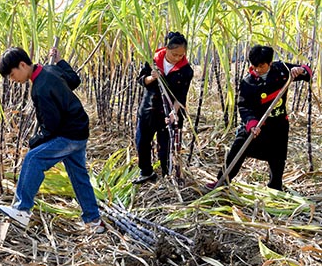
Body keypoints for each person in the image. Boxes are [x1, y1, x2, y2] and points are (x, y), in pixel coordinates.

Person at [0, 47, 104, 233]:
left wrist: (35, 141)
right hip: (79, 130)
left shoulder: (40, 88)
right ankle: (94, 221)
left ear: (22, 65)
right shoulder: (50, 70)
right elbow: (74, 80)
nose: (13, 80)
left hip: (69, 135)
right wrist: (60, 62)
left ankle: (22, 209)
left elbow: (51, 126)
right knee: (79, 176)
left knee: (33, 158)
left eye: (13, 75)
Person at [206, 45, 312, 191]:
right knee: (238, 148)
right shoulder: (248, 82)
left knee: (278, 157)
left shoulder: (281, 70)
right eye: (254, 66)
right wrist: (252, 123)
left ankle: (275, 186)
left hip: (278, 124)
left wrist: (301, 70)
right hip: (256, 125)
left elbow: (308, 74)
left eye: (261, 66)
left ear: (269, 63)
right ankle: (222, 181)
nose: (257, 69)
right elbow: (243, 106)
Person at [133, 32, 194, 184]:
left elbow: (181, 96)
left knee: (166, 146)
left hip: (170, 113)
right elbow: (142, 80)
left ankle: (168, 175)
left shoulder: (186, 70)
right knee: (142, 141)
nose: (178, 58)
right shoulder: (152, 61)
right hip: (149, 109)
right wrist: (152, 77)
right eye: (174, 54)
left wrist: (175, 112)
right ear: (166, 49)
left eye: (181, 55)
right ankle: (146, 172)